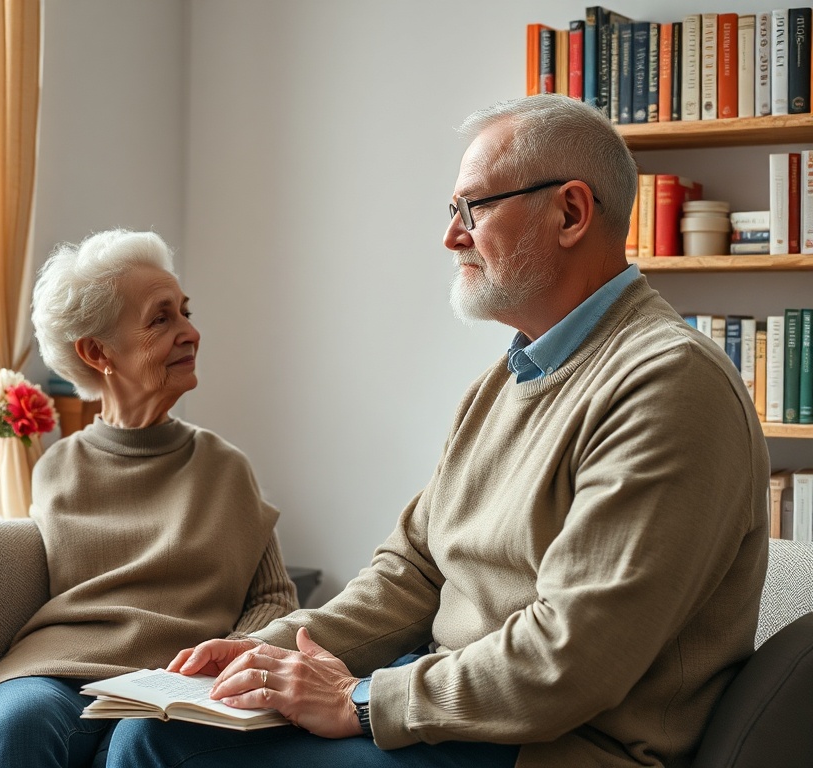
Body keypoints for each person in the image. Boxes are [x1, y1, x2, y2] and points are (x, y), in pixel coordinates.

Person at [106, 95, 770, 768]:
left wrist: (364, 701)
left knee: (164, 751)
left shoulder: (668, 384)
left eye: (473, 209)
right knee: (151, 732)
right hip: (451, 712)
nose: (452, 237)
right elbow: (414, 568)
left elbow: (574, 656)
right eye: (452, 211)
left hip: (553, 747)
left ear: (570, 212)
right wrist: (273, 650)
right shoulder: (504, 381)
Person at [0, 228, 299, 767]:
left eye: (185, 311)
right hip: (54, 676)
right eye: (162, 318)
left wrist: (220, 662)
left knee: (138, 739)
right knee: (21, 723)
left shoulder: (224, 468)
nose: (191, 332)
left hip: (171, 685)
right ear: (96, 352)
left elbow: (275, 598)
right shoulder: (59, 466)